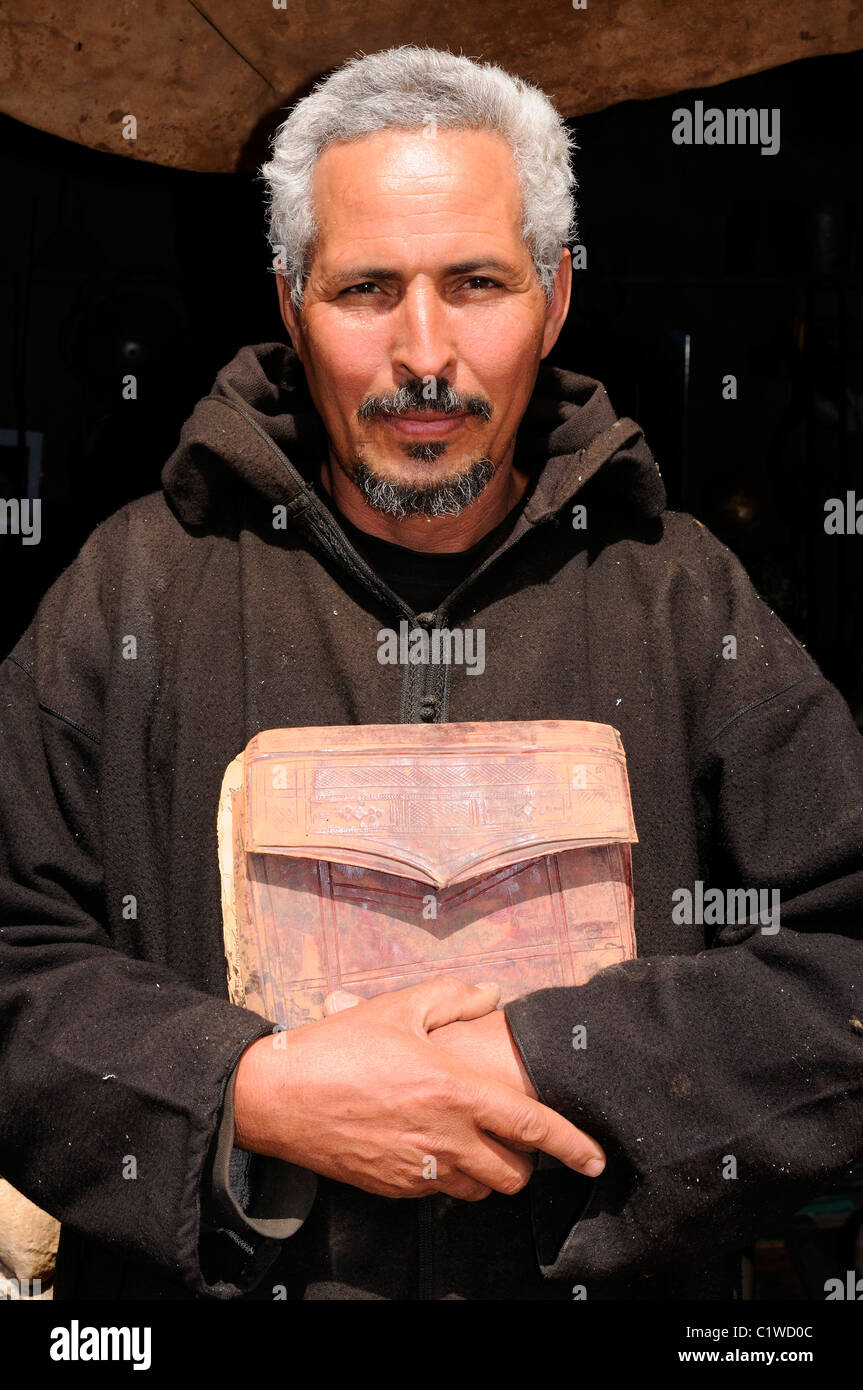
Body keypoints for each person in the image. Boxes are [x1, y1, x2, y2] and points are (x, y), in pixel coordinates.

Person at [0, 45, 860, 1303]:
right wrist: (248, 1091)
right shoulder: (133, 591)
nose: (422, 351)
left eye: (474, 283)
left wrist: (543, 1062)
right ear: (289, 304)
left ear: (556, 298)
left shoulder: (680, 598)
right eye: (364, 289)